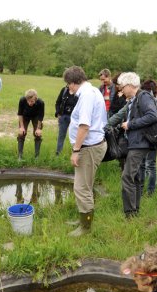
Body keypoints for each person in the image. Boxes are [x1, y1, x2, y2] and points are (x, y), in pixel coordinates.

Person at [63, 66, 107, 236]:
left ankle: (85, 227)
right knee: (84, 185)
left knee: (82, 188)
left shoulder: (87, 96)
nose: (68, 88)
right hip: (91, 146)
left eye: (69, 84)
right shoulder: (92, 91)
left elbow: (84, 125)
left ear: (74, 82)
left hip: (88, 148)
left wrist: (76, 150)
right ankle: (82, 217)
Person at [118, 72, 157, 218]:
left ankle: (129, 214)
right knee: (134, 177)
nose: (121, 90)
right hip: (135, 142)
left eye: (122, 87)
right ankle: (135, 210)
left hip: (140, 143)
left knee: (127, 177)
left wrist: (130, 124)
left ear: (130, 85)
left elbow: (152, 116)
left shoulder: (144, 96)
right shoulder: (134, 99)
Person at [138, 79, 157, 196]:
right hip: (146, 136)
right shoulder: (154, 100)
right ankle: (142, 189)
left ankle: (151, 191)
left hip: (153, 137)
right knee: (143, 164)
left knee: (150, 164)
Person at [17, 89, 44, 160]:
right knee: (21, 133)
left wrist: (38, 128)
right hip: (25, 116)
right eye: (28, 101)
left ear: (35, 98)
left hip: (36, 117)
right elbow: (20, 114)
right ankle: (20, 156)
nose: (29, 103)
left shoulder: (41, 102)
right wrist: (22, 127)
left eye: (32, 101)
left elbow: (41, 117)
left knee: (38, 134)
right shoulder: (22, 100)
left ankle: (37, 156)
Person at [54, 84, 78, 156]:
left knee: (75, 136)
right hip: (64, 117)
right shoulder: (64, 90)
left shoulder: (78, 92)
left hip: (74, 118)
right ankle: (58, 153)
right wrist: (58, 113)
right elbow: (58, 102)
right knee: (61, 135)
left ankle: (75, 153)